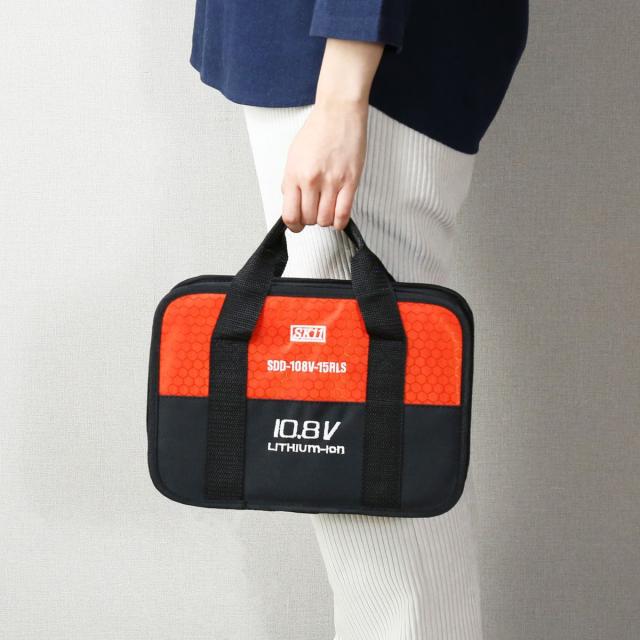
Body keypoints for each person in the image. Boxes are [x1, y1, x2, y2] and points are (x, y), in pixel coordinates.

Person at [190, 1, 528, 638]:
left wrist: (343, 93)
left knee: (371, 465)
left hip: (350, 62)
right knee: (377, 459)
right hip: (326, 56)